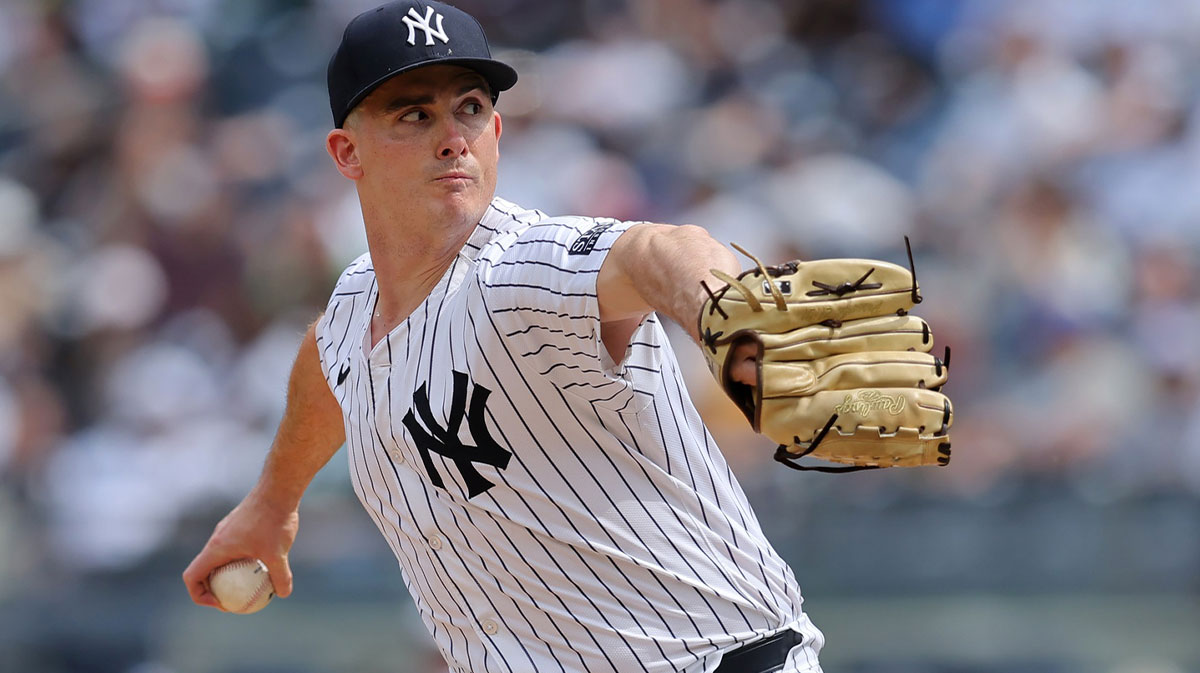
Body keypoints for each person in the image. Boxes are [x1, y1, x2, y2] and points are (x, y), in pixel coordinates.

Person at [183, 2, 824, 671]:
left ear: (495, 128)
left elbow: (663, 252)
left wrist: (733, 320)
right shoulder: (354, 304)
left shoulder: (521, 269)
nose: (452, 136)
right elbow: (327, 369)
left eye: (468, 108)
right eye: (414, 114)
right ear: (348, 152)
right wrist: (272, 502)